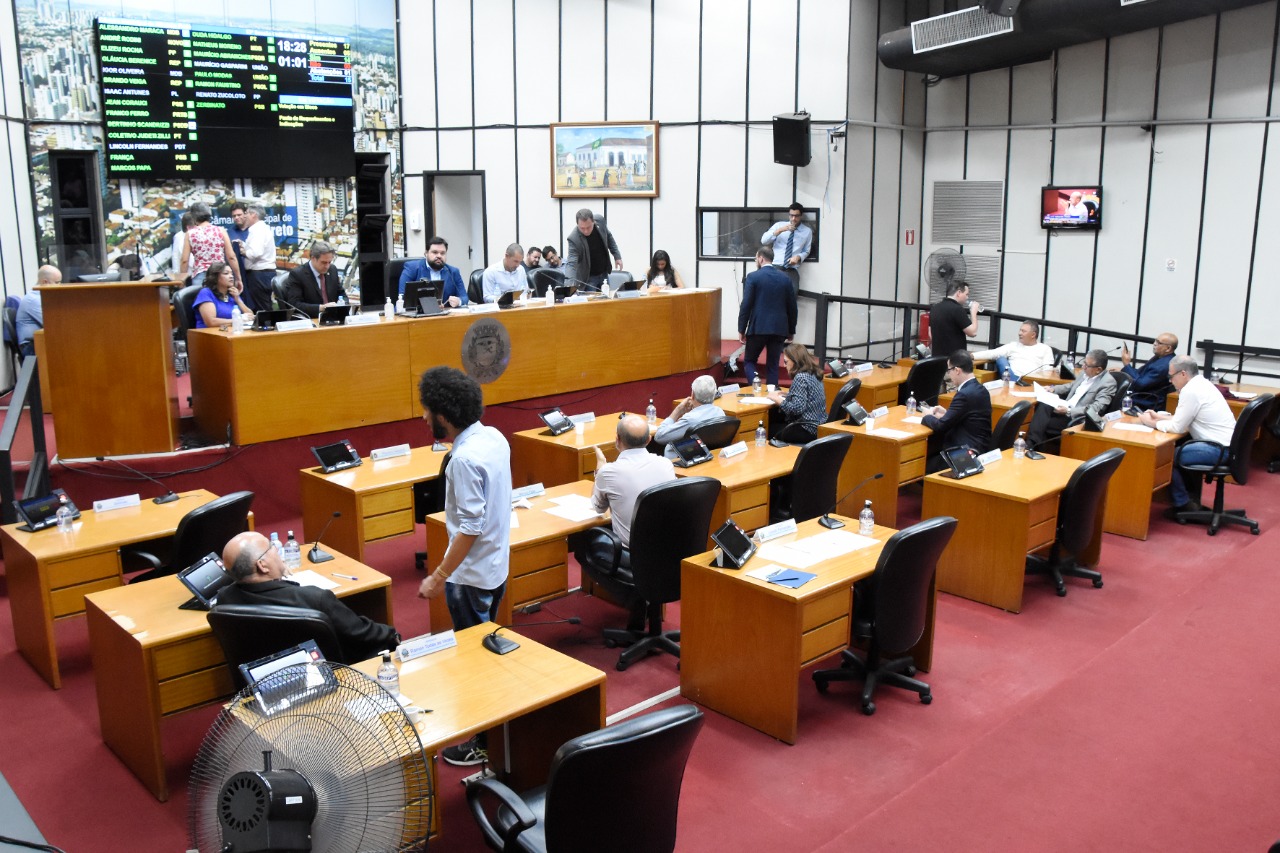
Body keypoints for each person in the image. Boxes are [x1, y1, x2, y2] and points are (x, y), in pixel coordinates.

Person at [415, 366, 511, 767]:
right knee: (486, 650)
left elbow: (469, 527)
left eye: (427, 411)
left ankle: (484, 742)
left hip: (469, 578)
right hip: (496, 567)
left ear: (445, 414)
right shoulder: (494, 437)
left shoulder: (463, 460)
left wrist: (438, 576)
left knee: (476, 661)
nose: (423, 418)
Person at [217, 531, 399, 663]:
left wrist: (275, 575)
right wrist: (393, 635)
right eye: (272, 547)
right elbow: (362, 633)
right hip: (331, 678)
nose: (277, 550)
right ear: (262, 566)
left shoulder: (225, 600)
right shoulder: (315, 599)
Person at [573, 414, 676, 632]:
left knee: (582, 545)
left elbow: (598, 509)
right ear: (649, 440)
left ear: (617, 440)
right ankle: (642, 599)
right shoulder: (665, 464)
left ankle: (635, 599)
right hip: (668, 551)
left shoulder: (609, 472)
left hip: (634, 555)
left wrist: (600, 469)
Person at [1138, 355, 1236, 517]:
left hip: (1218, 450)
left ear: (1183, 374)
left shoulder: (1191, 391)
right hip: (1227, 446)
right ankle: (1190, 499)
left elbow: (1177, 427)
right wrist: (1160, 417)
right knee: (1178, 448)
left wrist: (1149, 422)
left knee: (1167, 458)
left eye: (1171, 376)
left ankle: (1183, 504)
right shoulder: (1202, 383)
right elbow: (1187, 417)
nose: (1170, 381)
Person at [1024, 348, 1117, 448]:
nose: (1083, 366)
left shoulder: (1108, 382)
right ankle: (1032, 444)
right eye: (1084, 362)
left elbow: (1096, 407)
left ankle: (1031, 444)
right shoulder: (1085, 373)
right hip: (1064, 407)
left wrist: (1068, 410)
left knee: (1042, 423)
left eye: (1087, 365)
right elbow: (1071, 386)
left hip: (1076, 418)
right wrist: (1053, 389)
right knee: (1043, 404)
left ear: (1098, 369)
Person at [921, 350, 992, 470]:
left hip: (964, 454)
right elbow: (967, 416)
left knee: (922, 466)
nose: (949, 375)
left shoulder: (964, 394)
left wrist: (927, 416)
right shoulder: (980, 389)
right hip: (979, 447)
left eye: (949, 371)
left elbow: (940, 426)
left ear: (957, 370)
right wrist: (947, 413)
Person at [738, 245, 797, 387]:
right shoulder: (785, 279)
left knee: (749, 361)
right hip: (779, 328)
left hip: (758, 327)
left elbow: (746, 305)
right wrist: (791, 330)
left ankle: (756, 386)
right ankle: (772, 399)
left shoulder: (753, 277)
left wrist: (741, 329)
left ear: (760, 258)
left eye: (756, 259)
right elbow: (792, 307)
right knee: (773, 365)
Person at [766, 343, 827, 442]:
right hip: (818, 425)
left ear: (795, 361)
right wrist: (788, 395)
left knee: (767, 428)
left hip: (805, 429)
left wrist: (777, 399)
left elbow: (796, 409)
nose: (784, 365)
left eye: (786, 362)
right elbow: (809, 396)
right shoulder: (814, 373)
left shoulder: (800, 377)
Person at [654, 375, 724, 460]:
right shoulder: (720, 412)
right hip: (707, 458)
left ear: (692, 395)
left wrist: (678, 411)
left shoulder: (690, 419)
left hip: (681, 461)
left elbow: (659, 437)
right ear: (714, 394)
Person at [180, 201, 241, 289]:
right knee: (219, 301)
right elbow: (231, 257)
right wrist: (238, 278)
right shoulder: (221, 231)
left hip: (200, 276)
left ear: (193, 217)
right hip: (220, 274)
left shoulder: (190, 234)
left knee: (202, 301)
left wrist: (182, 281)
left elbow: (184, 260)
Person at [971, 320, 1056, 381]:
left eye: (1023, 331)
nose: (1020, 333)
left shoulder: (1045, 349)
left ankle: (1016, 381)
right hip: (1010, 378)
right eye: (1020, 330)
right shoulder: (1014, 345)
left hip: (1031, 382)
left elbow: (1047, 371)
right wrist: (972, 356)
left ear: (1033, 335)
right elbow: (993, 353)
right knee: (1001, 359)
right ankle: (1013, 381)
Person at [398, 236, 468, 307]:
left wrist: (459, 301)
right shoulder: (412, 268)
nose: (439, 256)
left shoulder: (453, 272)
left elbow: (465, 298)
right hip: (417, 315)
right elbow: (402, 298)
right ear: (426, 253)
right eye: (435, 252)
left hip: (445, 315)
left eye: (442, 253)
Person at [281, 240, 342, 317]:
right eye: (323, 262)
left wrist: (343, 305)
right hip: (312, 318)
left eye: (329, 262)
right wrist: (321, 308)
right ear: (313, 258)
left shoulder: (332, 269)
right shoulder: (297, 275)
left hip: (333, 318)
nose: (327, 266)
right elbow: (294, 304)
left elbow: (341, 293)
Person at [565, 209, 623, 290]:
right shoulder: (573, 238)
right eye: (582, 228)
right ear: (577, 224)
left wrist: (617, 256)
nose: (586, 231)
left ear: (593, 222)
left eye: (588, 227)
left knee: (607, 301)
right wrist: (569, 284)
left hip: (604, 273)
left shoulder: (600, 221)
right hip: (588, 278)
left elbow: (609, 237)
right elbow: (571, 263)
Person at [760, 202, 812, 291]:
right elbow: (764, 241)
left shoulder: (807, 231)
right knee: (771, 294)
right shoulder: (779, 225)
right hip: (775, 266)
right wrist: (780, 230)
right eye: (791, 215)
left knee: (792, 296)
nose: (793, 218)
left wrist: (798, 257)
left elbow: (806, 250)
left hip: (791, 269)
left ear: (801, 216)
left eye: (796, 216)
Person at [1121, 333, 1178, 409]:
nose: (1154, 344)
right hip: (1140, 397)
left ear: (1168, 348)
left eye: (1158, 342)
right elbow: (1140, 373)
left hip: (1144, 403)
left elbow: (1139, 385)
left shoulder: (1163, 366)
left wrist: (1127, 365)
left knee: (1115, 397)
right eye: (1155, 341)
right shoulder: (1160, 357)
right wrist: (1125, 369)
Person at [928, 280, 981, 362]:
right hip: (955, 360)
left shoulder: (935, 308)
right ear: (959, 293)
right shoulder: (957, 309)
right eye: (966, 294)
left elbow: (930, 334)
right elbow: (972, 332)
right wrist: (973, 313)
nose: (967, 297)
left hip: (937, 358)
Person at [239, 204, 278, 313]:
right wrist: (243, 245)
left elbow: (255, 253)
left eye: (246, 213)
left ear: (254, 215)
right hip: (264, 274)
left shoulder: (257, 229)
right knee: (265, 307)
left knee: (263, 310)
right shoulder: (262, 228)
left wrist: (243, 252)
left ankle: (267, 329)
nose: (244, 216)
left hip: (259, 275)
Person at [15, 265, 61, 357]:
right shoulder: (34, 300)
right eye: (57, 282)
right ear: (45, 282)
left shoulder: (42, 297)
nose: (60, 285)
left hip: (39, 343)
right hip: (31, 348)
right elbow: (54, 324)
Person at [192, 262, 253, 329]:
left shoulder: (232, 294)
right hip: (209, 335)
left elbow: (251, 316)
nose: (231, 276)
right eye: (226, 273)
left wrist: (238, 300)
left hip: (231, 333)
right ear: (215, 277)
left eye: (232, 273)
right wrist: (239, 320)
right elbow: (211, 322)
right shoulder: (206, 293)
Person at [226, 202, 250, 275]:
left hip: (253, 270)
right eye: (234, 216)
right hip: (237, 272)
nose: (236, 218)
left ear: (245, 214)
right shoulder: (229, 233)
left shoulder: (254, 230)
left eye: (239, 215)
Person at [170, 212, 194, 278]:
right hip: (186, 274)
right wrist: (177, 275)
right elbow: (175, 256)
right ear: (188, 227)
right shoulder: (178, 237)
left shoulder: (198, 235)